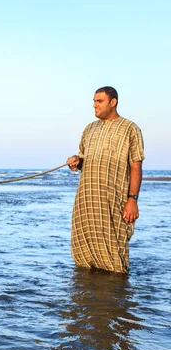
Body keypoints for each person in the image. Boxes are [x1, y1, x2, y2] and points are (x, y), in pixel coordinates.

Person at [66, 86, 145, 273]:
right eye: (93, 101)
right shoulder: (89, 129)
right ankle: (85, 298)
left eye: (99, 101)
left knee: (115, 257)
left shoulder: (130, 129)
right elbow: (84, 158)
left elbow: (136, 165)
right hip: (86, 202)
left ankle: (118, 298)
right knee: (83, 259)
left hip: (113, 201)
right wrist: (77, 162)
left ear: (113, 102)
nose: (94, 105)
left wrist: (132, 200)